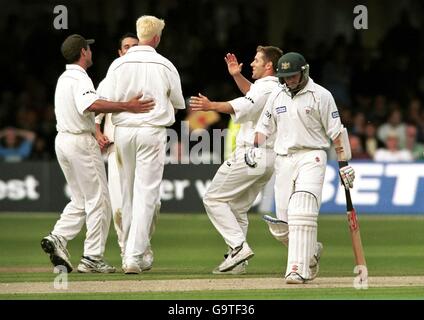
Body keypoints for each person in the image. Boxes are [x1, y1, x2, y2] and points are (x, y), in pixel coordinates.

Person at [40, 34, 155, 273]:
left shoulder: (64, 77)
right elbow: (91, 105)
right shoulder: (80, 78)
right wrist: (127, 106)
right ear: (83, 52)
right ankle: (92, 257)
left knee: (81, 199)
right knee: (100, 200)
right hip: (80, 142)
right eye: (88, 50)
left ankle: (58, 236)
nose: (91, 53)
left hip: (63, 140)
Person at [252, 52, 355, 284]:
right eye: (285, 76)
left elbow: (336, 133)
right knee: (282, 225)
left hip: (312, 156)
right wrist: (253, 147)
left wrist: (344, 164)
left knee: (302, 211)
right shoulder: (277, 94)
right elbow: (264, 127)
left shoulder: (321, 95)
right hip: (283, 158)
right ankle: (311, 250)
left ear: (304, 71)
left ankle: (297, 270)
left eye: (293, 76)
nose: (289, 80)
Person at [101, 16, 185, 274]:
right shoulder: (165, 64)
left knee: (126, 193)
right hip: (152, 132)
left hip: (123, 131)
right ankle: (135, 256)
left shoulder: (118, 64)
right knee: (146, 194)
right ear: (157, 38)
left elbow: (106, 99)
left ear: (139, 35)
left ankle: (128, 252)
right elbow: (180, 102)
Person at [189, 46, 283, 274]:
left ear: (269, 65)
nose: (251, 63)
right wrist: (237, 76)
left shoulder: (264, 87)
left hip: (251, 153)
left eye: (256, 60)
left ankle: (238, 247)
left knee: (213, 199)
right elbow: (253, 96)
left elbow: (245, 104)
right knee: (237, 208)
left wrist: (211, 106)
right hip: (268, 158)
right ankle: (238, 262)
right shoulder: (275, 88)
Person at [94, 32, 139, 258]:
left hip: (143, 149)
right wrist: (98, 132)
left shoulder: (149, 76)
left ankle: (141, 249)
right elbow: (94, 114)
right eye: (126, 47)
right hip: (116, 149)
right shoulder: (110, 79)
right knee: (120, 203)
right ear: (120, 52)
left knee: (148, 202)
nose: (130, 50)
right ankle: (125, 250)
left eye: (134, 46)